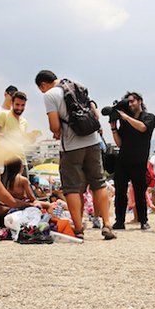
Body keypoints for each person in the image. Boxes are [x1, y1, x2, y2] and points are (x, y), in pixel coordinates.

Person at [34, 69, 114, 240]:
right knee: (99, 183)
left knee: (72, 188)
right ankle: (107, 224)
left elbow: (55, 126)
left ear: (43, 85)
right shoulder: (78, 86)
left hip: (71, 146)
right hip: (92, 141)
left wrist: (57, 132)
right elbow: (95, 114)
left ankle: (78, 229)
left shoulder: (50, 95)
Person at [109, 91, 155, 230]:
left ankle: (143, 220)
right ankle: (119, 221)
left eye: (132, 101)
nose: (129, 104)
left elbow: (143, 128)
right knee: (120, 192)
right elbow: (119, 143)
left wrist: (126, 117)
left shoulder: (148, 117)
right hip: (123, 160)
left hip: (139, 160)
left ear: (139, 101)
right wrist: (113, 127)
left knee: (140, 192)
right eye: (127, 102)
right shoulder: (124, 121)